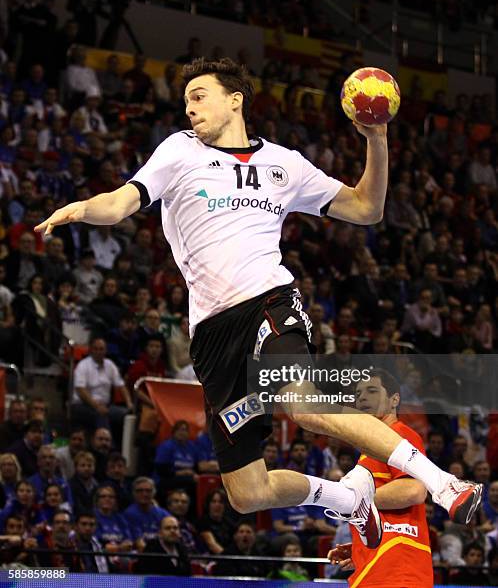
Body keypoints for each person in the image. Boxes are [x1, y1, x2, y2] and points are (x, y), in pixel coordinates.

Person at [35, 57, 481, 548]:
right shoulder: (179, 152)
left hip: (269, 302)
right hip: (211, 335)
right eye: (186, 102)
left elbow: (367, 208)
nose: (190, 109)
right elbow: (121, 202)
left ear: (235, 100)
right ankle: (348, 499)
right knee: (248, 492)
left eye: (199, 96)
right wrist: (81, 207)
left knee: (302, 404)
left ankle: (444, 482)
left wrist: (376, 138)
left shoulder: (284, 164)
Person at [328, 369, 433, 588]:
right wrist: (360, 546)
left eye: (372, 391)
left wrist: (353, 501)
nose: (362, 398)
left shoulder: (400, 436)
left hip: (398, 574)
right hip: (375, 571)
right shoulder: (370, 450)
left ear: (394, 399)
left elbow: (414, 490)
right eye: (358, 394)